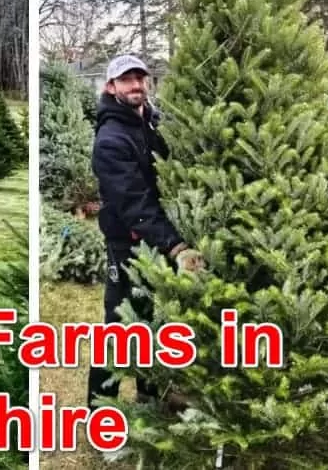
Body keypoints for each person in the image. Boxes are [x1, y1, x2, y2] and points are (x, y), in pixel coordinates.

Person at [87, 54, 203, 409]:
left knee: (154, 321)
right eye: (126, 80)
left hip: (158, 240)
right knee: (120, 328)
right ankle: (100, 412)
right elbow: (136, 204)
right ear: (111, 87)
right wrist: (176, 246)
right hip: (130, 246)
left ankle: (149, 397)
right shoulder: (111, 139)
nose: (136, 85)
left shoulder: (150, 124)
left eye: (140, 78)